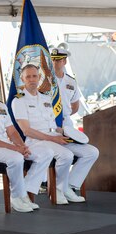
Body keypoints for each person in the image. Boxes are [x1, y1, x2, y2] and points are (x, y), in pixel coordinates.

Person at [0, 69, 53, 212]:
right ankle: (16, 197)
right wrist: (15, 149)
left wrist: (23, 146)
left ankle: (24, 191)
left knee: (45, 153)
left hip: (5, 145)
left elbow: (11, 131)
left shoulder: (0, 105)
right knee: (16, 158)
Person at [11, 64, 85, 205]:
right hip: (35, 141)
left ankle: (64, 188)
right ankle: (56, 190)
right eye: (28, 77)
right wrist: (53, 139)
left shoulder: (46, 98)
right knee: (66, 155)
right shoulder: (18, 100)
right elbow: (26, 130)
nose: (32, 79)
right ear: (22, 79)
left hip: (52, 138)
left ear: (39, 77)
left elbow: (52, 125)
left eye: (34, 76)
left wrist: (68, 134)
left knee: (86, 152)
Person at [50, 48, 99, 199]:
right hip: (49, 127)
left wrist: (64, 118)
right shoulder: (45, 81)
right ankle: (58, 189)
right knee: (67, 155)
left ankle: (68, 186)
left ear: (64, 61)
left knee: (91, 152)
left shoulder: (71, 81)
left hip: (66, 126)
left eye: (59, 60)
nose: (56, 62)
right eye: (54, 59)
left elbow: (75, 105)